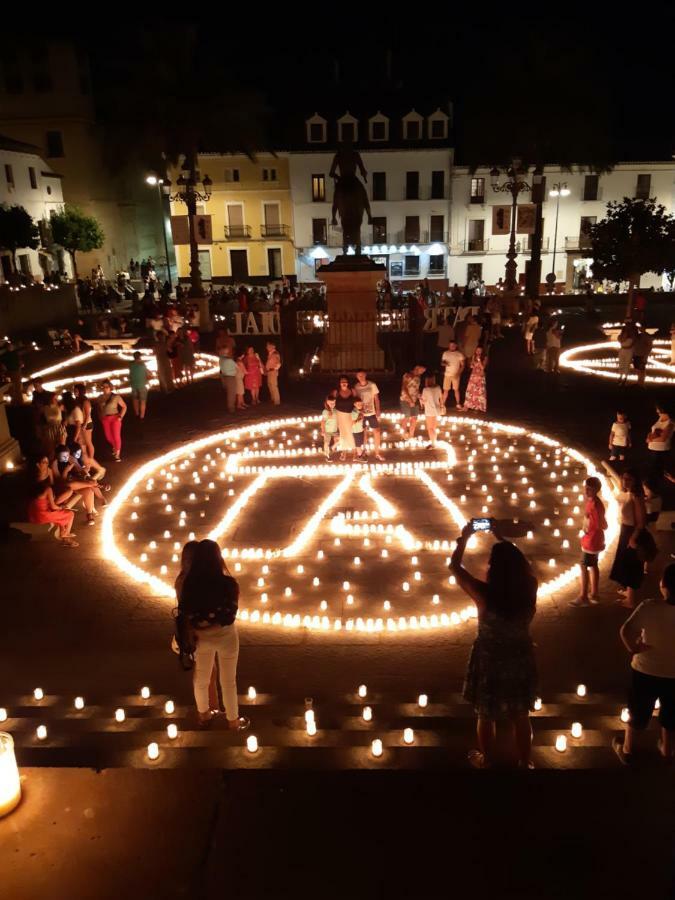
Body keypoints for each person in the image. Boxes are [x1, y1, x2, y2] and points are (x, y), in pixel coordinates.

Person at [450, 520, 538, 769]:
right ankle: (524, 761)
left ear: (493, 568)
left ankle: (487, 759)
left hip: (490, 660)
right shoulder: (530, 587)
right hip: (520, 657)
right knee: (520, 714)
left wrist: (465, 538)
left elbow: (455, 567)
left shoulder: (483, 594)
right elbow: (524, 566)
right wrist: (502, 539)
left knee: (485, 713)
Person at [177, 540, 249, 730]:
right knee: (228, 681)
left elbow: (185, 613)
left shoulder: (189, 586)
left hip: (201, 640)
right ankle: (233, 721)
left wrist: (201, 627)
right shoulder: (229, 585)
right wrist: (215, 623)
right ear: (219, 559)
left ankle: (204, 716)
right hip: (227, 638)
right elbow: (229, 617)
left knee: (201, 679)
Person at [614, 563, 675, 763]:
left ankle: (628, 749)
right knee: (671, 713)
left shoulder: (649, 606)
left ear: (663, 585)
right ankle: (667, 749)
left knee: (638, 710)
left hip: (645, 670)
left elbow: (625, 630)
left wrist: (633, 648)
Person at [609, 469, 647, 609]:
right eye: (624, 478)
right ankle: (628, 592)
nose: (625, 481)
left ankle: (631, 601)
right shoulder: (626, 493)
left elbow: (641, 522)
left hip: (632, 532)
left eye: (629, 479)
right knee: (624, 562)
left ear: (635, 480)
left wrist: (633, 538)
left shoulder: (636, 497)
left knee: (631, 564)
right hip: (625, 530)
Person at [570, 477, 607, 607]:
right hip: (594, 539)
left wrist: (587, 527)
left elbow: (601, 524)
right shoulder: (593, 502)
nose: (586, 490)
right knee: (593, 565)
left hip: (591, 540)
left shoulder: (595, 505)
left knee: (583, 565)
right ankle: (594, 594)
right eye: (585, 487)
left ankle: (583, 596)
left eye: (589, 489)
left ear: (596, 490)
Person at [28, 456, 78, 547]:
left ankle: (65, 538)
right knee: (70, 514)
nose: (46, 464)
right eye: (44, 462)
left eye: (47, 462)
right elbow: (54, 507)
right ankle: (65, 534)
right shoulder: (46, 488)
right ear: (37, 465)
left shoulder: (34, 482)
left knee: (60, 515)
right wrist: (62, 507)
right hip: (42, 515)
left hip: (33, 514)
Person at [353, 369, 384, 461]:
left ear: (365, 375)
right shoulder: (356, 387)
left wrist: (378, 410)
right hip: (361, 414)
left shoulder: (372, 385)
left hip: (372, 412)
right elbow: (355, 400)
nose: (361, 377)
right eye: (359, 376)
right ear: (357, 377)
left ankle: (377, 453)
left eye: (362, 375)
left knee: (377, 431)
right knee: (363, 433)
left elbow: (376, 399)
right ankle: (364, 452)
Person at [97, 379, 127, 462]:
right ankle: (115, 448)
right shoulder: (100, 398)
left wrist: (120, 416)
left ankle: (117, 454)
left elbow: (124, 406)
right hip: (105, 419)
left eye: (106, 387)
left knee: (116, 436)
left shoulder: (115, 397)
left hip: (115, 418)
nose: (105, 388)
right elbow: (98, 409)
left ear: (110, 387)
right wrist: (100, 417)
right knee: (109, 437)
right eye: (103, 387)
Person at [645, 402, 674, 480]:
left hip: (660, 452)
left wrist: (650, 439)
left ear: (664, 410)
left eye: (658, 410)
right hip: (652, 449)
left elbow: (663, 438)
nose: (657, 412)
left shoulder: (671, 422)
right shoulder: (660, 418)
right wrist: (649, 436)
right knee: (651, 470)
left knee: (657, 472)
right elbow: (653, 430)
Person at [399, 365, 426, 440]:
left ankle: (411, 435)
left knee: (414, 418)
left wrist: (420, 397)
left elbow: (416, 389)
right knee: (406, 417)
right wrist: (410, 400)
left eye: (423, 371)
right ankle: (404, 434)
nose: (422, 372)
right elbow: (404, 388)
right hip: (405, 399)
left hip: (415, 400)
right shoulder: (407, 375)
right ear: (417, 368)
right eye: (422, 370)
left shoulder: (418, 378)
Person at [335, 375, 357, 462]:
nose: (344, 383)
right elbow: (330, 401)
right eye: (342, 382)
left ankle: (355, 452)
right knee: (343, 434)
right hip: (339, 415)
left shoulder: (352, 391)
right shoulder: (336, 392)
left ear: (348, 383)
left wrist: (358, 414)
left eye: (345, 381)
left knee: (352, 433)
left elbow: (357, 401)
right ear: (339, 383)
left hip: (350, 415)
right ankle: (343, 452)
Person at [420, 374, 444, 447]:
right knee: (433, 427)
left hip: (429, 410)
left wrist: (420, 399)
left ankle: (433, 443)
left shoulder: (426, 390)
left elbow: (424, 401)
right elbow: (441, 398)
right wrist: (442, 406)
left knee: (430, 428)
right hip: (437, 410)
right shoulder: (438, 388)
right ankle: (434, 441)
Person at [74, 383, 96, 461]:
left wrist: (85, 425)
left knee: (88, 442)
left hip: (87, 424)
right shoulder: (76, 400)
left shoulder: (85, 401)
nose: (74, 392)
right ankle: (86, 461)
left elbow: (87, 415)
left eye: (76, 391)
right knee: (82, 443)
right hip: (80, 424)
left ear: (80, 391)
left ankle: (91, 460)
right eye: (74, 390)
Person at [441, 340, 465, 411]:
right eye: (451, 345)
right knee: (445, 390)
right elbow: (442, 363)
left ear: (456, 346)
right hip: (447, 375)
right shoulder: (445, 353)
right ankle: (442, 405)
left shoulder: (459, 354)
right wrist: (445, 364)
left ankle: (458, 404)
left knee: (456, 390)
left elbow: (463, 366)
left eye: (454, 345)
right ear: (449, 346)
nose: (452, 347)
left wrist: (458, 374)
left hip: (455, 375)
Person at [463, 346, 488, 414]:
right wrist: (472, 363)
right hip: (473, 376)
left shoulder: (485, 358)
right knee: (471, 391)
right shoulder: (474, 357)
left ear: (482, 352)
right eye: (477, 350)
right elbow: (471, 366)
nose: (478, 352)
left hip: (480, 376)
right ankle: (469, 406)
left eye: (480, 351)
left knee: (479, 392)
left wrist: (479, 360)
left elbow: (483, 367)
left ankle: (477, 407)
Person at [128, 351, 150, 420]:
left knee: (135, 400)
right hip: (142, 385)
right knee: (143, 401)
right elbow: (148, 373)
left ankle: (137, 414)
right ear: (140, 356)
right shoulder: (142, 365)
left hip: (133, 385)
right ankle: (142, 416)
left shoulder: (131, 365)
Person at [218, 347, 237, 414]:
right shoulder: (229, 360)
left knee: (229, 392)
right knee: (232, 393)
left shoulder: (221, 359)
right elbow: (236, 366)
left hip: (225, 376)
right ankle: (231, 408)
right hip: (230, 377)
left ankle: (230, 407)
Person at [320, 394, 339, 460]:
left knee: (339, 440)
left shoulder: (335, 411)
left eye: (334, 403)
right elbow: (323, 421)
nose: (333, 404)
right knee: (326, 443)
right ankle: (327, 456)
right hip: (327, 431)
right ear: (327, 402)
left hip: (335, 430)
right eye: (331, 403)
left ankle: (331, 448)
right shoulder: (325, 412)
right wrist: (323, 430)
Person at [264, 341, 282, 405]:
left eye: (268, 346)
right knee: (270, 385)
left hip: (273, 372)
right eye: (267, 346)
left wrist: (275, 369)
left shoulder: (275, 353)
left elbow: (279, 363)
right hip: (269, 372)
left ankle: (277, 401)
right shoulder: (270, 353)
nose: (267, 347)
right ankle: (273, 399)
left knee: (274, 385)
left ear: (272, 346)